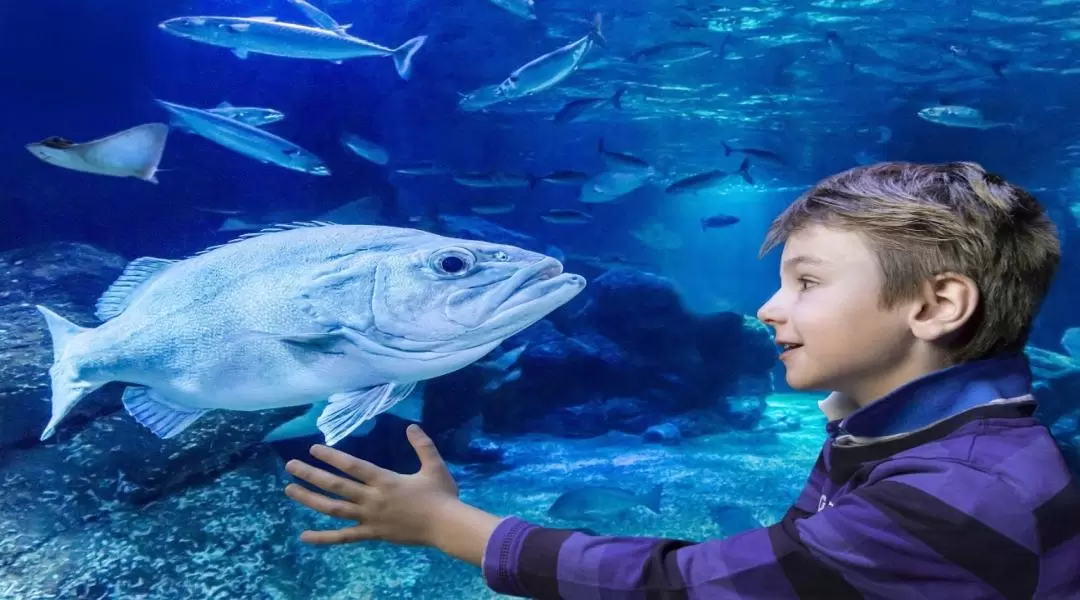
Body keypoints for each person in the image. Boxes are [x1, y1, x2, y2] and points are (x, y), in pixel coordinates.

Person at [281, 161, 1080, 599]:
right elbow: (796, 561)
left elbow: (687, 587)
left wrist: (454, 528)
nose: (767, 308)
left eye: (806, 282)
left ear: (936, 305)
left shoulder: (957, 494)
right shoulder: (907, 432)